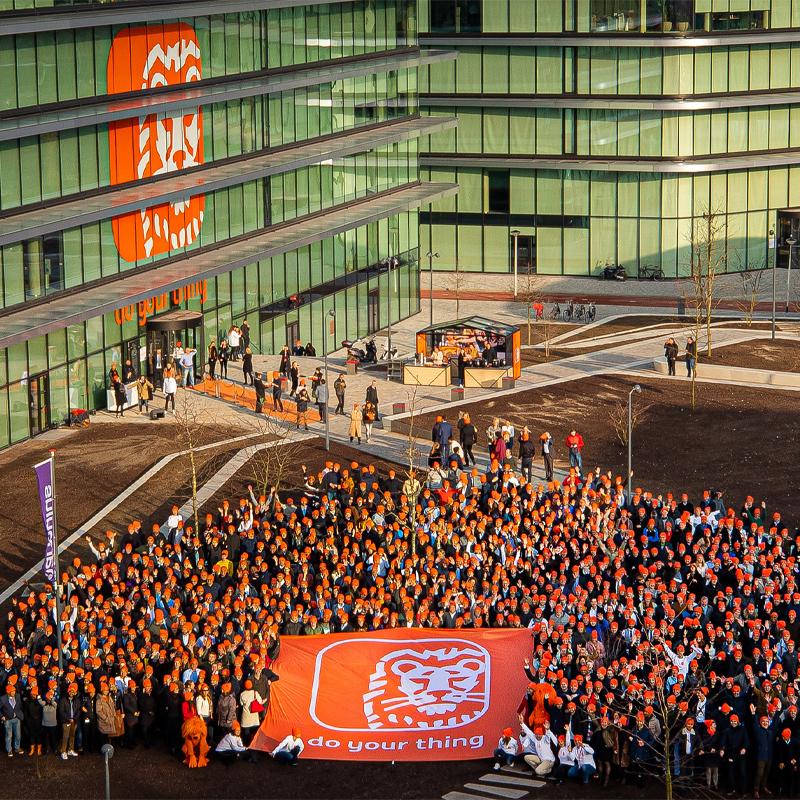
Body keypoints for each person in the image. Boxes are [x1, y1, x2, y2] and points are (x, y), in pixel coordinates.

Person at [58, 682, 81, 759]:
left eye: (73, 691)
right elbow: (61, 711)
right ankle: (63, 751)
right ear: (68, 691)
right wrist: (68, 719)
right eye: (70, 691)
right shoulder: (63, 700)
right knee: (65, 736)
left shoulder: (77, 700)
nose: (72, 693)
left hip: (74, 721)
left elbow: (78, 711)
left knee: (72, 736)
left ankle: (70, 750)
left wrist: (74, 719)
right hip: (66, 721)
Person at [1, 683, 23, 757]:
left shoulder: (18, 696)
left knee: (18, 735)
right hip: (7, 720)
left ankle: (17, 748)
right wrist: (1, 716)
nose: (14, 692)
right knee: (8, 736)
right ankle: (9, 750)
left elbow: (20, 706)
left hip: (17, 718)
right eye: (12, 691)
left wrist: (20, 714)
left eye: (14, 691)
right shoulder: (2, 698)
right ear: (8, 692)